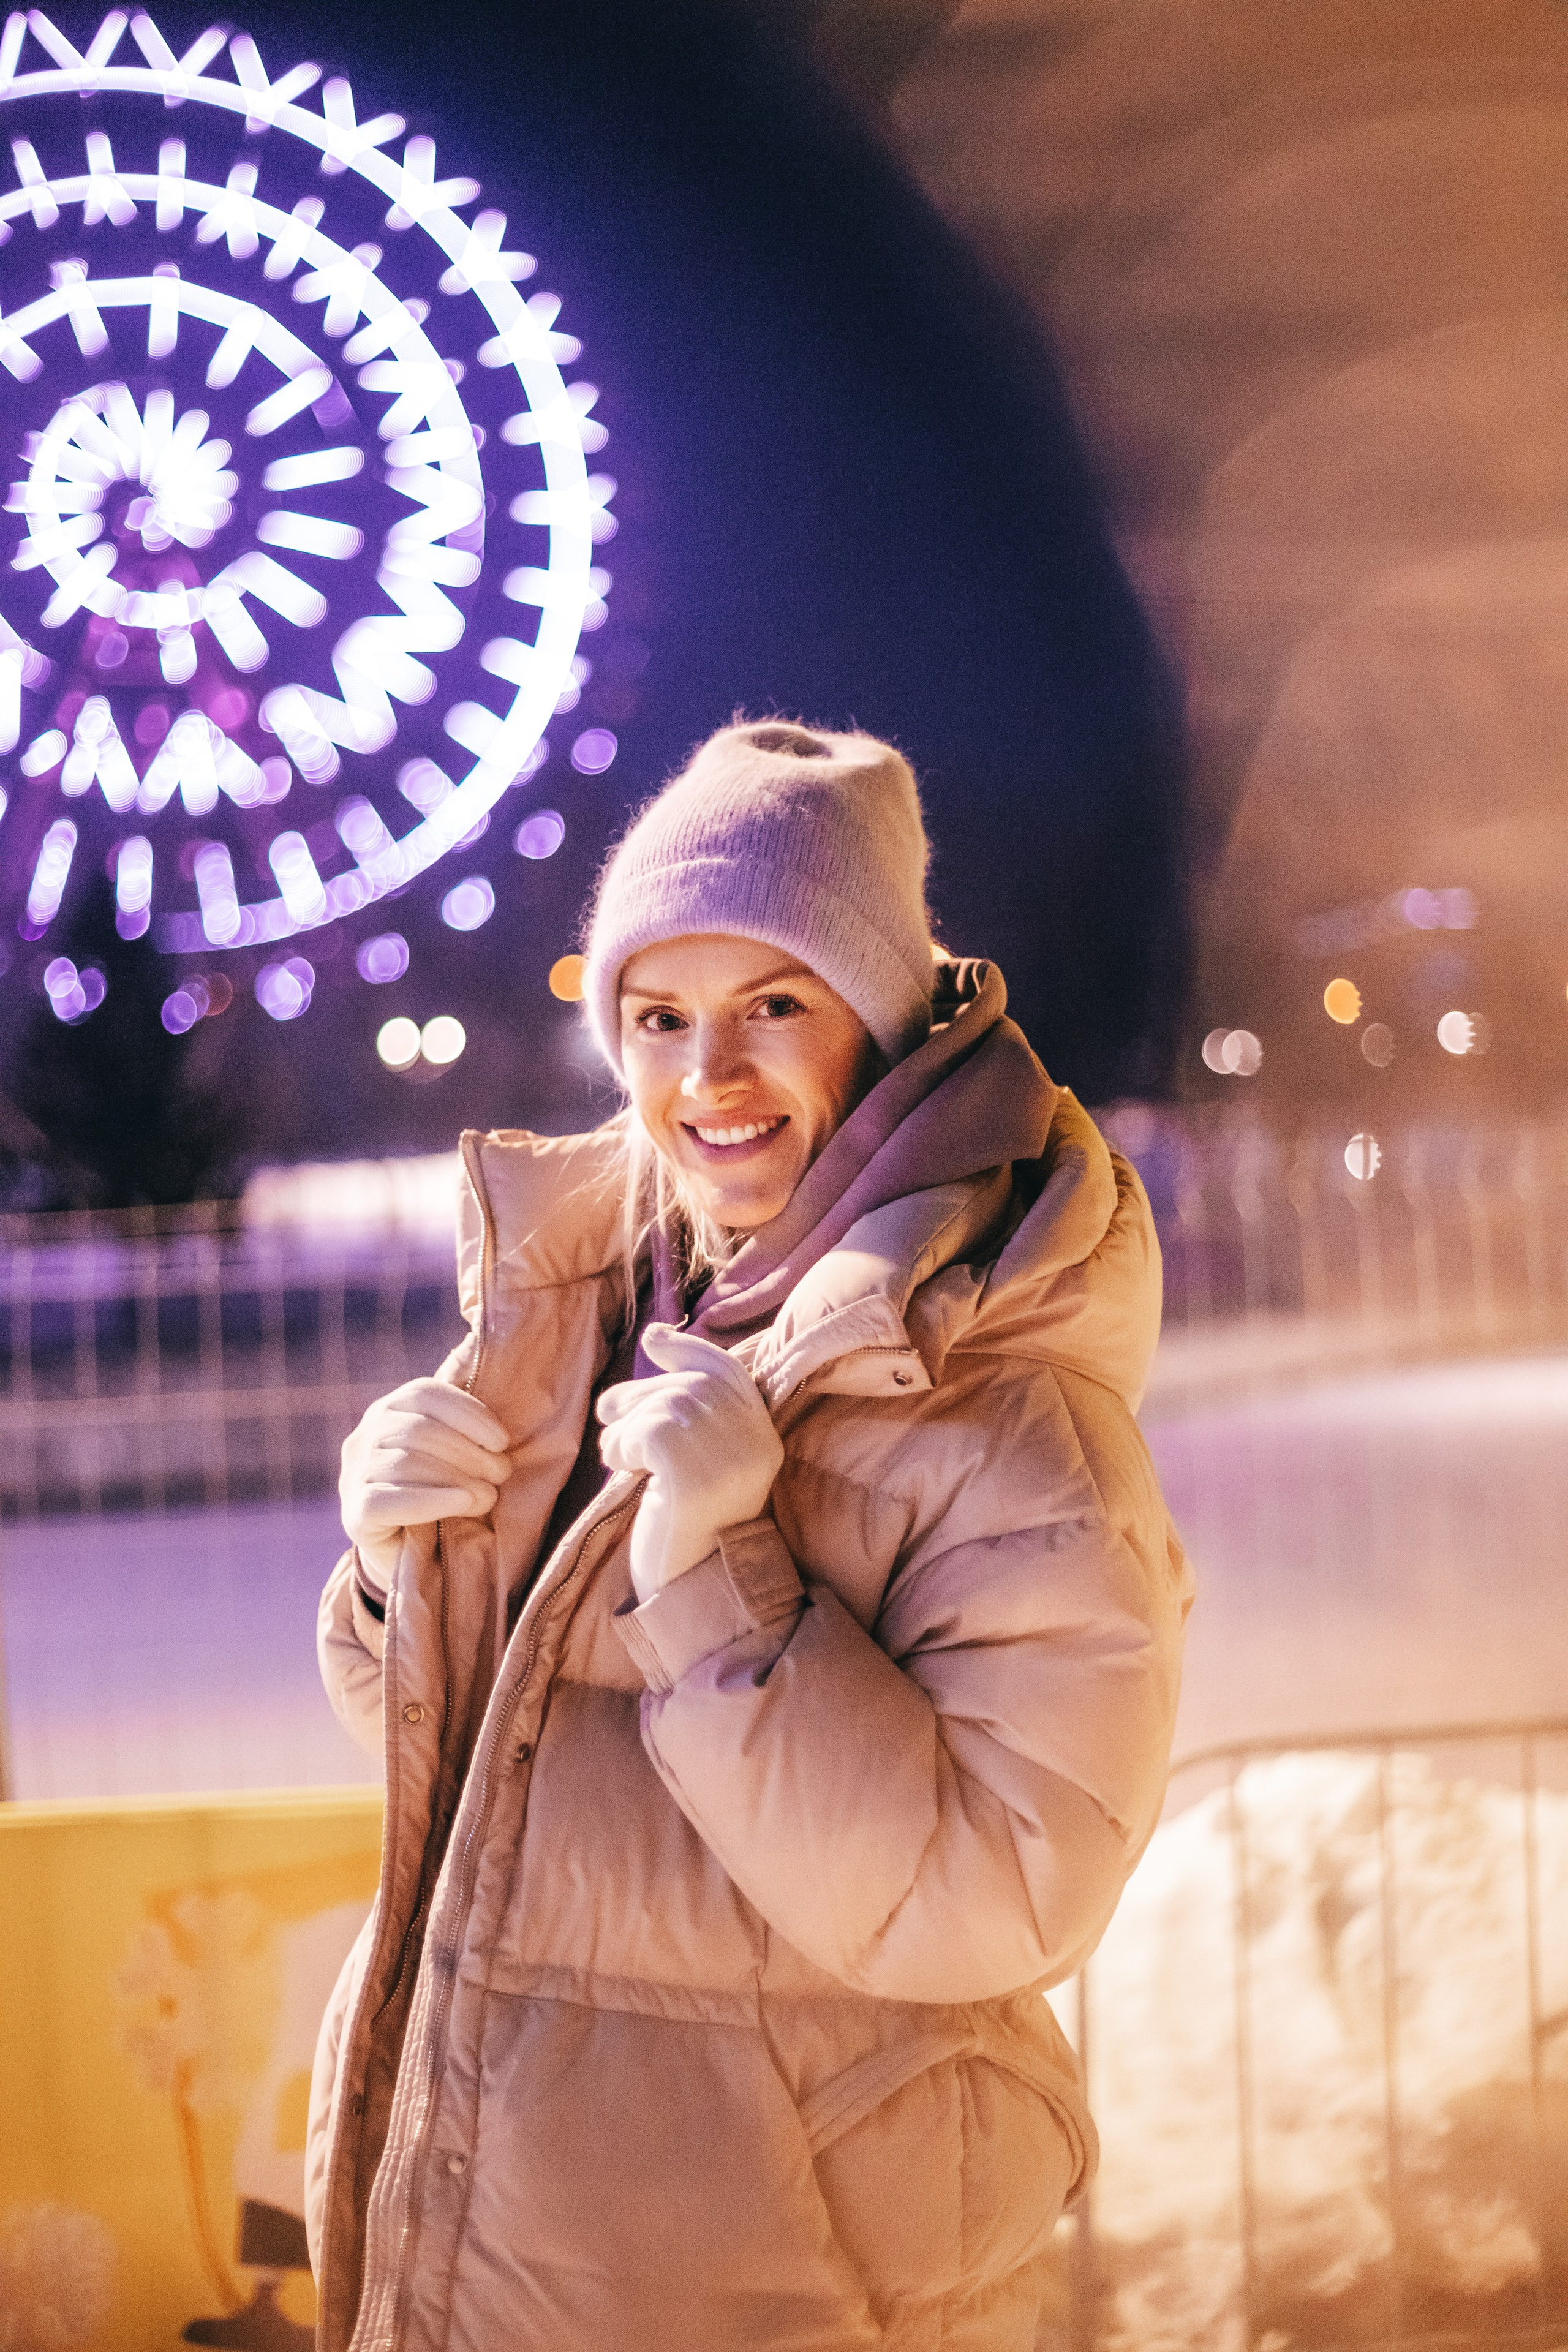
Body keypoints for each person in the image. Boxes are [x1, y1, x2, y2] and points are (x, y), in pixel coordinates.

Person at [308, 719, 1194, 2352]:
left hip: (786, 2278)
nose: (705, 1079)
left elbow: (1001, 1897)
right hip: (494, 2247)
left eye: (772, 1006)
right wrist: (392, 1576)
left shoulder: (1007, 1415)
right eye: (659, 1020)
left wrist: (720, 1580)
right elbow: (505, 1768)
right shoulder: (583, 1317)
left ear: (877, 1021)